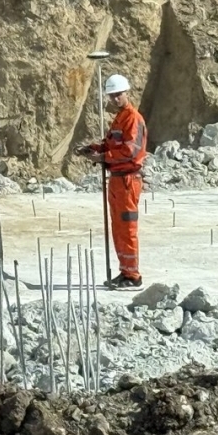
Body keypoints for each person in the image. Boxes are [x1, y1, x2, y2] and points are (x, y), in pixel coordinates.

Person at [76, 74, 148, 289]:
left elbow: (129, 151)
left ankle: (133, 276)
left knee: (127, 228)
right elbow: (111, 145)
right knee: (118, 228)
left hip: (128, 181)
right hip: (116, 181)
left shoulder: (133, 118)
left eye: (118, 94)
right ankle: (125, 272)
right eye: (112, 95)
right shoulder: (119, 119)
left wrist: (103, 158)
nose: (115, 98)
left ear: (127, 93)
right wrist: (94, 149)